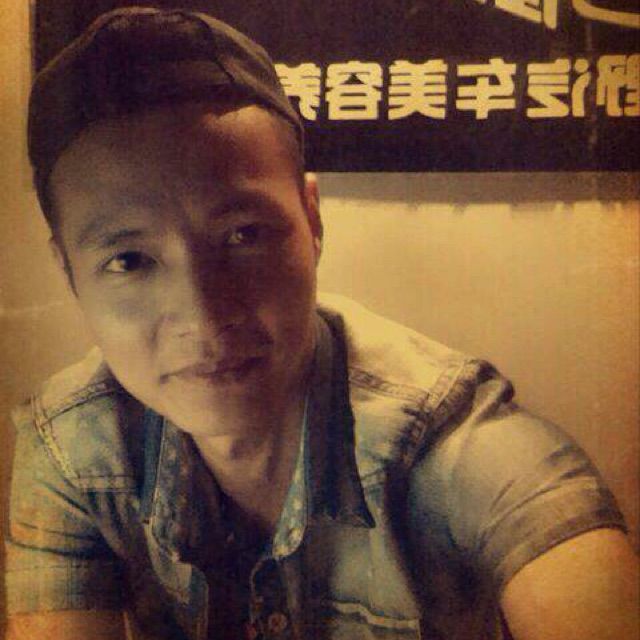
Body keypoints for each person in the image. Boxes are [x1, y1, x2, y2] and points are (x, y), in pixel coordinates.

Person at [4, 6, 638, 640]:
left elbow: (554, 533)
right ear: (69, 270)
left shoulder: (449, 445)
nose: (203, 316)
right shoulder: (76, 445)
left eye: (244, 234)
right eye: (129, 260)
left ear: (311, 219)